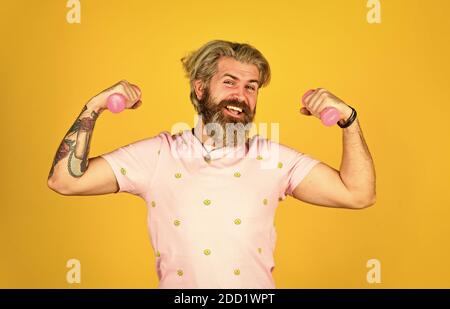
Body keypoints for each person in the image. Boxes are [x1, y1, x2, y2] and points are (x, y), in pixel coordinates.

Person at [47, 40, 376, 288]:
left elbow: (358, 194)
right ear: (200, 87)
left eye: (251, 87)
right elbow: (66, 180)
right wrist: (93, 107)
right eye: (229, 82)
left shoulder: (273, 159)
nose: (241, 95)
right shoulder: (157, 156)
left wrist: (349, 120)